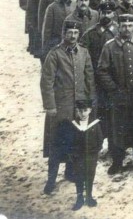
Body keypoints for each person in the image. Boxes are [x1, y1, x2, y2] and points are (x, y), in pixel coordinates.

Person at [40, 20, 96, 195]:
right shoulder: (55, 54)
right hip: (60, 107)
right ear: (64, 33)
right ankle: (51, 179)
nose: (72, 36)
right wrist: (50, 106)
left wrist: (90, 102)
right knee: (56, 143)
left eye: (75, 33)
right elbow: (46, 82)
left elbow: (89, 79)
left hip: (79, 107)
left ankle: (71, 172)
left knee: (77, 141)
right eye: (69, 32)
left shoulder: (84, 53)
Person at [96, 13, 133, 174]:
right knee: (118, 129)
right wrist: (113, 89)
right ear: (118, 27)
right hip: (119, 96)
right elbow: (102, 71)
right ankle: (117, 161)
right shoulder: (110, 46)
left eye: (129, 26)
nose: (126, 29)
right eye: (123, 26)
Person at [53, 100, 102, 210]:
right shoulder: (73, 125)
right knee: (79, 176)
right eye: (80, 111)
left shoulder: (95, 124)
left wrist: (95, 152)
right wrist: (73, 154)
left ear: (90, 110)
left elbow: (99, 140)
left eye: (85, 110)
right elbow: (69, 142)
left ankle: (89, 196)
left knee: (90, 176)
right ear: (77, 111)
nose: (83, 114)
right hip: (78, 157)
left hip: (91, 157)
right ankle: (80, 198)